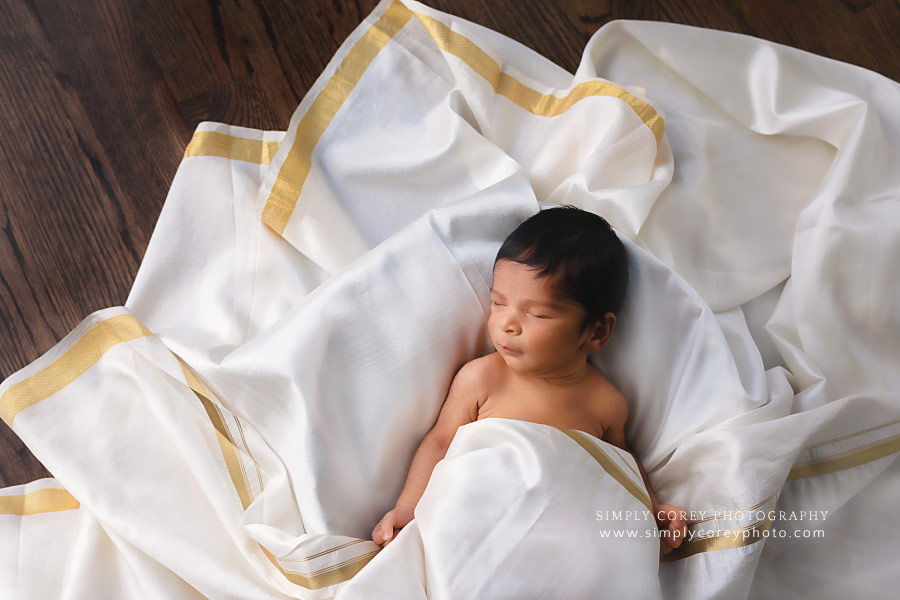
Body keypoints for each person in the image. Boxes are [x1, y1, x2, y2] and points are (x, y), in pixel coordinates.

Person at [372, 205, 688, 555]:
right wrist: (408, 508)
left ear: (597, 331)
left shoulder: (605, 402)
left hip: (560, 542)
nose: (508, 323)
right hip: (476, 528)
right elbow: (440, 443)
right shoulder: (483, 378)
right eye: (498, 303)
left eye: (537, 313)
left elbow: (620, 470)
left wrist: (652, 509)